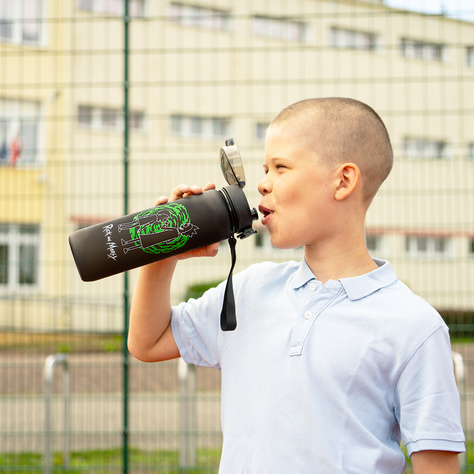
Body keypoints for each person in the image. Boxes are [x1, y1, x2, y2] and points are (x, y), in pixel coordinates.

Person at [128, 97, 465, 473]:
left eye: (280, 167)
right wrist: (162, 257)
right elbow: (148, 341)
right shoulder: (251, 290)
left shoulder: (414, 326)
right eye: (263, 168)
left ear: (343, 181)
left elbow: (437, 466)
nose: (262, 183)